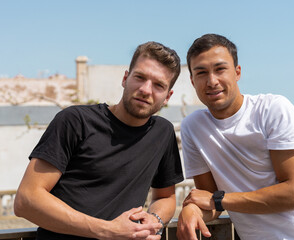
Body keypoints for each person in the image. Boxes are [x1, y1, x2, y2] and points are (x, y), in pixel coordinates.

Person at [176, 34, 294, 240]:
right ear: (192, 80)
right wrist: (192, 210)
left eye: (220, 69)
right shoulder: (193, 127)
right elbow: (209, 200)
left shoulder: (273, 109)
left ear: (237, 72)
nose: (212, 81)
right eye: (201, 72)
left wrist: (218, 200)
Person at [14, 41, 184, 240]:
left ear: (167, 97)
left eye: (158, 85)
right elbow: (26, 200)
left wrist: (153, 219)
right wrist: (107, 230)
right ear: (125, 78)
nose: (146, 90)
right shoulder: (75, 121)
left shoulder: (162, 133)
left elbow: (166, 197)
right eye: (140, 77)